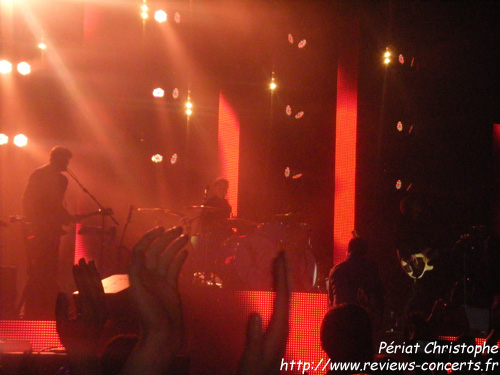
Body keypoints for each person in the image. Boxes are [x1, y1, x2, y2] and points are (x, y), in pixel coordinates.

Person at [22, 145, 74, 319]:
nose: (67, 164)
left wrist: (62, 218)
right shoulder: (42, 175)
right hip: (42, 229)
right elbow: (33, 201)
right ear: (55, 159)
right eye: (65, 160)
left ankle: (43, 305)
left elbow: (55, 204)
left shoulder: (59, 179)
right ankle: (37, 307)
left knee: (48, 266)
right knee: (41, 267)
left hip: (49, 229)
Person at [328, 236, 384, 338]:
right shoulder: (370, 268)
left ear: (348, 250)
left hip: (338, 320)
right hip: (360, 322)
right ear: (365, 251)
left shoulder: (335, 270)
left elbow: (331, 300)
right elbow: (378, 297)